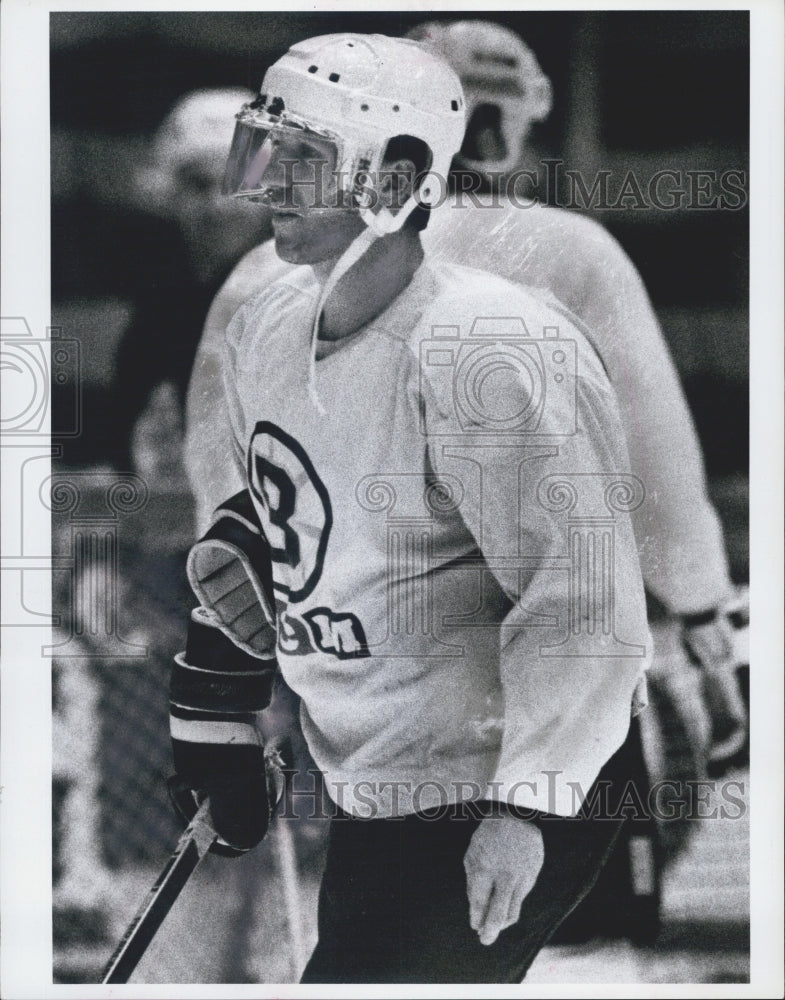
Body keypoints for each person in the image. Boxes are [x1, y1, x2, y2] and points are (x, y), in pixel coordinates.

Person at [167, 33, 654, 983]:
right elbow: (259, 537)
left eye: (302, 160)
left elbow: (582, 599)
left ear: (394, 177)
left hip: (518, 775)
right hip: (380, 779)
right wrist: (218, 713)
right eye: (263, 149)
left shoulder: (484, 348)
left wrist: (526, 809)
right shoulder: (266, 328)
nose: (267, 184)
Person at [184, 21, 746, 797]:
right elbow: (655, 482)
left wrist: (256, 658)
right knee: (548, 908)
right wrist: (708, 617)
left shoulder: (264, 271)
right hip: (523, 683)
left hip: (346, 685)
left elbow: (225, 481)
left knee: (375, 904)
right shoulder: (566, 250)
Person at [110, 87, 271, 474]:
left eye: (235, 187)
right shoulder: (156, 316)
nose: (218, 206)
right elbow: (123, 447)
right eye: (199, 186)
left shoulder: (302, 302)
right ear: (170, 195)